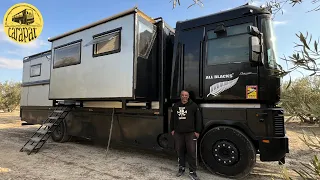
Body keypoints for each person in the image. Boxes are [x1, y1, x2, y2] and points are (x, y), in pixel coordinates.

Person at [170, 90, 202, 180]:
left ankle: (192, 172)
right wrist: (172, 129)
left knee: (192, 152)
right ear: (180, 96)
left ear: (188, 96)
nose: (184, 97)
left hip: (191, 133)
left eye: (186, 95)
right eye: (182, 95)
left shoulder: (194, 106)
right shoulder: (176, 106)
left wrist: (197, 131)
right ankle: (181, 168)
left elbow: (198, 119)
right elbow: (172, 119)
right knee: (179, 151)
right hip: (178, 133)